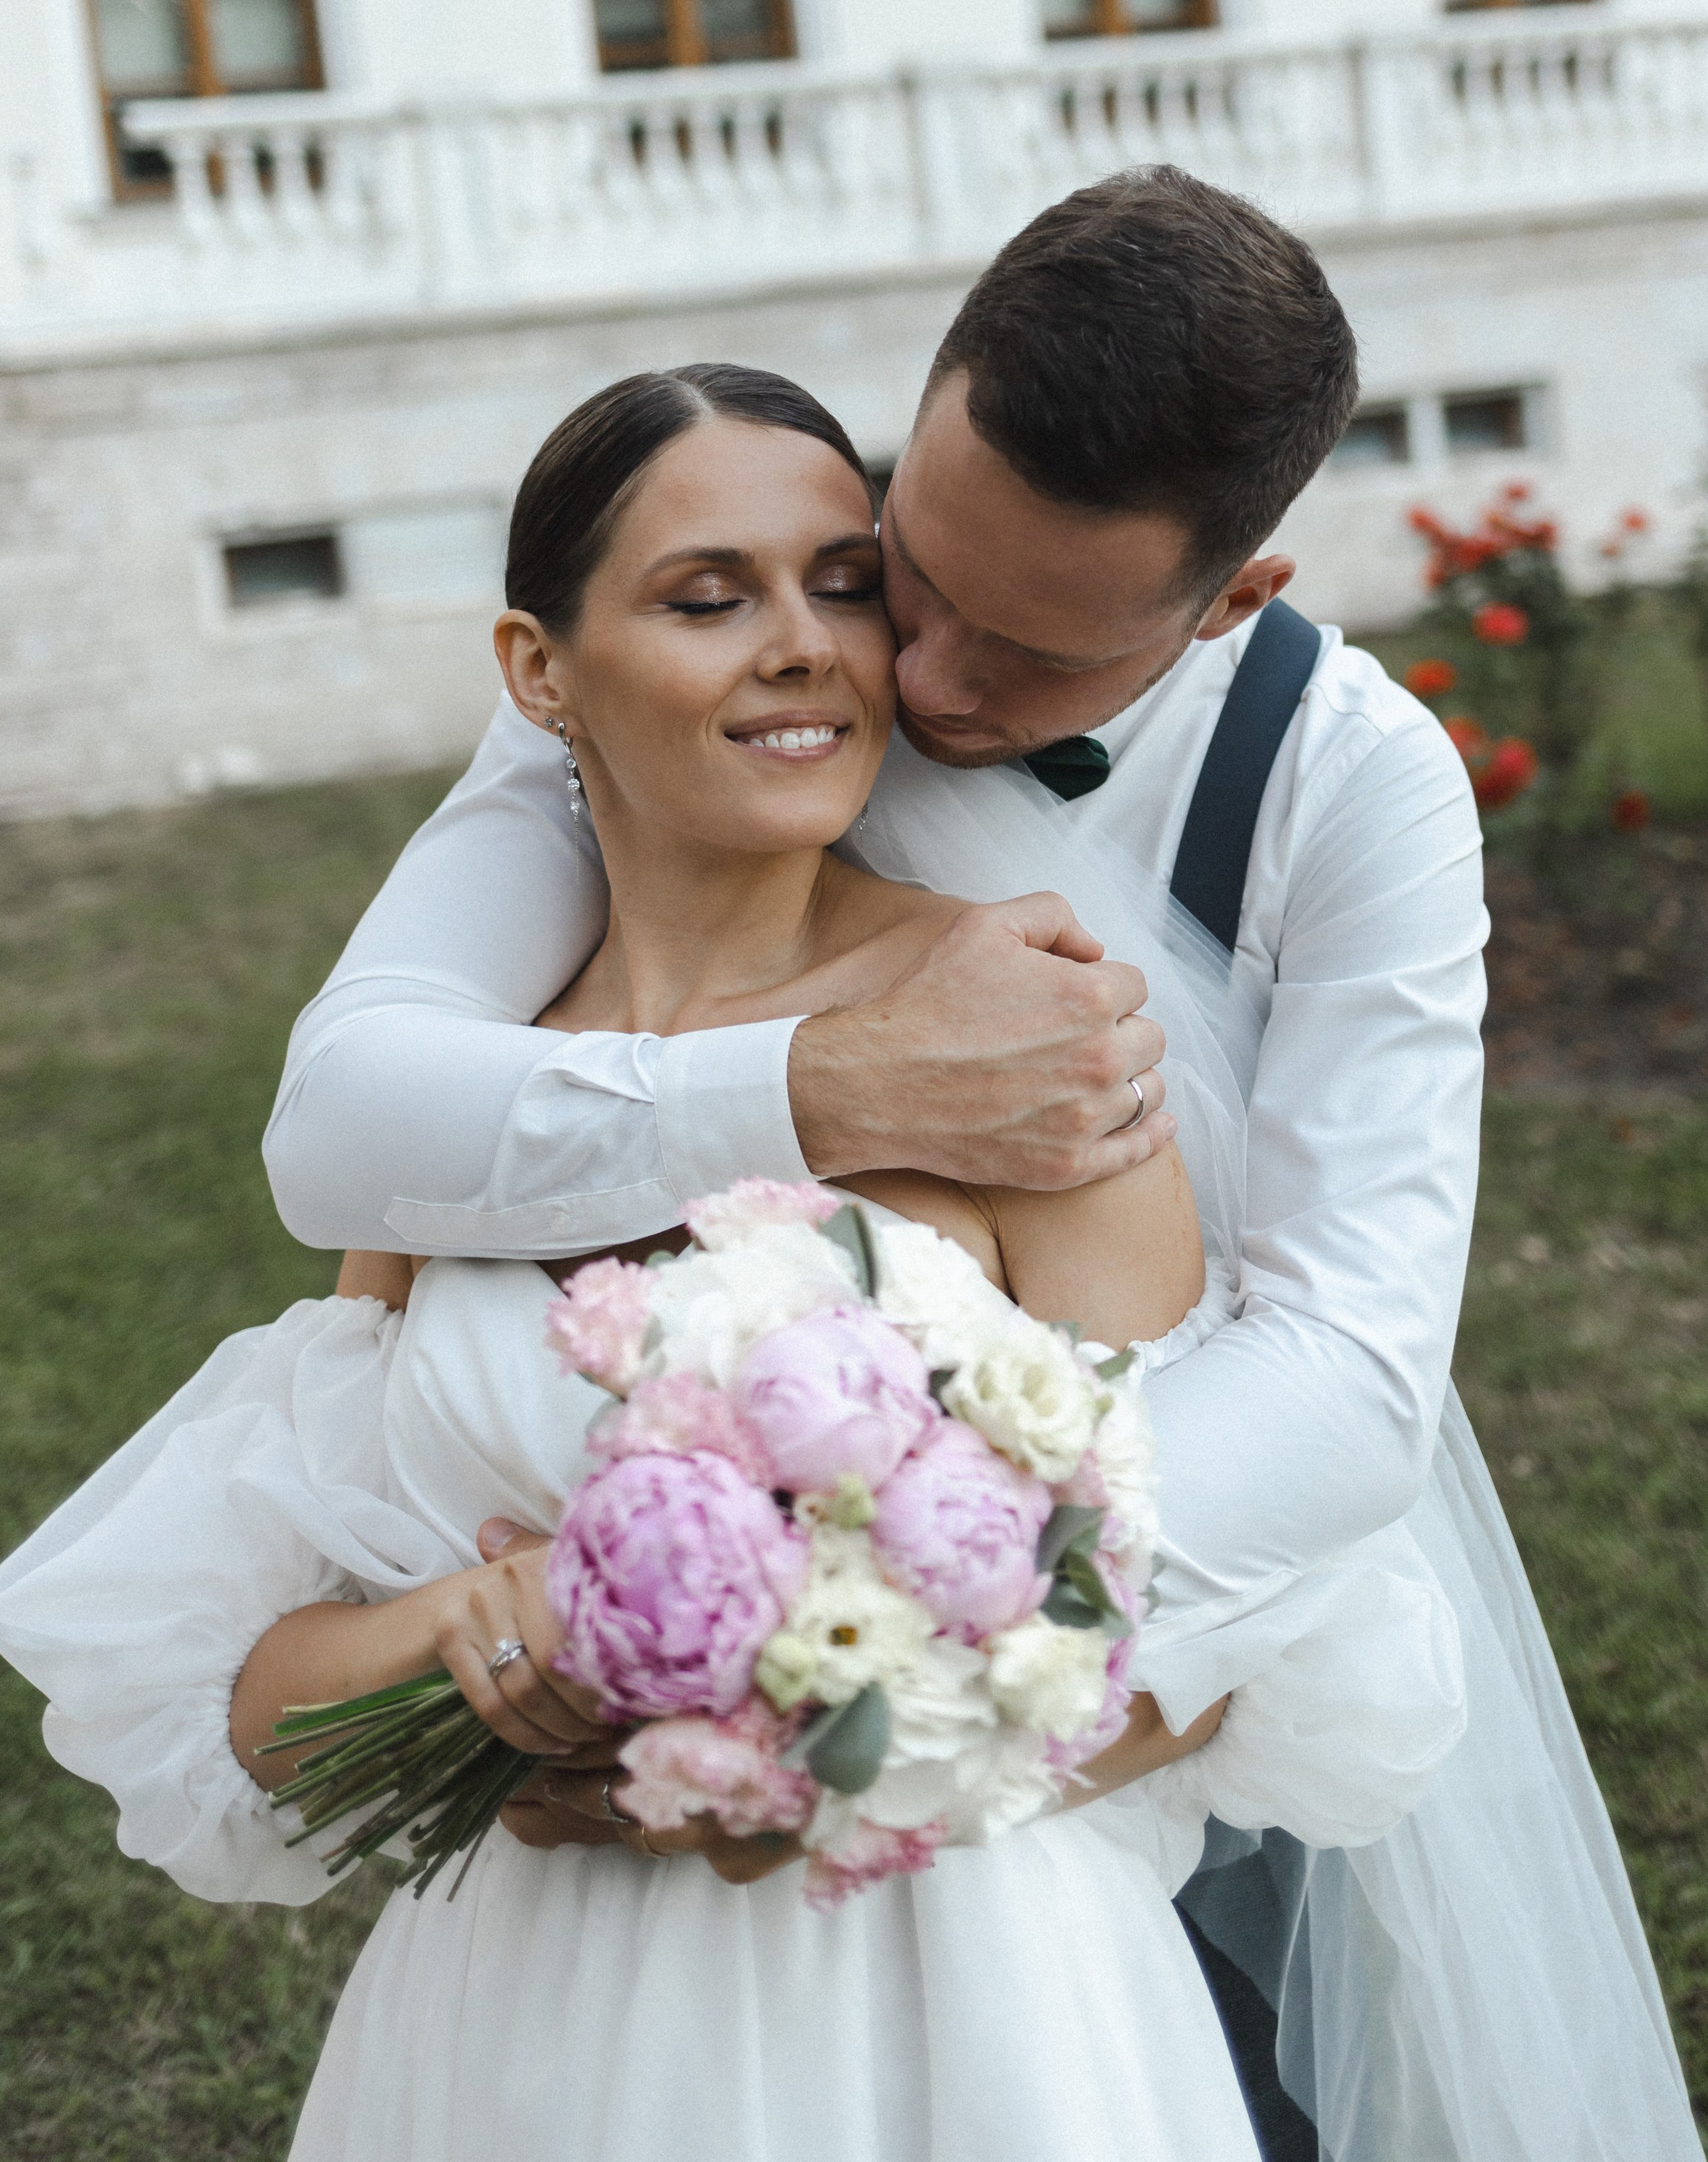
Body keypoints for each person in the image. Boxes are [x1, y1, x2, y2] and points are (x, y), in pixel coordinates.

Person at [256, 170, 1706, 2160]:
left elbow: (1347, 1377)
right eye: (910, 576)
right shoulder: (706, 675)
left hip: (1161, 1602)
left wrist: (841, 1657)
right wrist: (829, 1090)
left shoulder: (1347, 786)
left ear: (1226, 603)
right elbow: (348, 1125)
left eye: (1024, 651)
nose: (920, 683)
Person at [0, 363, 1466, 2162]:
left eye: (846, 588)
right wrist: (471, 1646)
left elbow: (1227, 1648)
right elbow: (263, 1700)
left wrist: (810, 1747)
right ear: (539, 672)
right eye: (707, 599)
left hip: (968, 2004)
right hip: (531, 2019)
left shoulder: (1033, 1043)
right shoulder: (458, 1121)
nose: (807, 649)